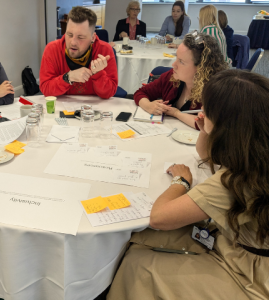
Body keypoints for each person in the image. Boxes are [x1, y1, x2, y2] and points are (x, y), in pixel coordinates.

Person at [108, 69, 269, 300]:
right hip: (241, 244)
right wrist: (206, 129)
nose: (201, 112)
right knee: (140, 238)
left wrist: (181, 182)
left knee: (138, 262)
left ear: (227, 128)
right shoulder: (255, 151)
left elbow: (159, 217)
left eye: (207, 111)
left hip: (249, 272)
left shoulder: (235, 181)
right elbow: (206, 155)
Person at [134, 32, 227, 129]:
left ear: (201, 68)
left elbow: (208, 126)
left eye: (181, 62)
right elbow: (140, 92)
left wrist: (176, 113)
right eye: (176, 58)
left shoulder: (214, 91)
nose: (174, 64)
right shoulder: (172, 76)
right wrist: (148, 105)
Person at [40, 6, 118, 99]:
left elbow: (109, 93)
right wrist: (68, 77)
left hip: (94, 108)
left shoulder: (105, 50)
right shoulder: (52, 49)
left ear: (92, 38)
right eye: (69, 34)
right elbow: (46, 89)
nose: (72, 42)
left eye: (80, 37)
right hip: (62, 108)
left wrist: (98, 74)